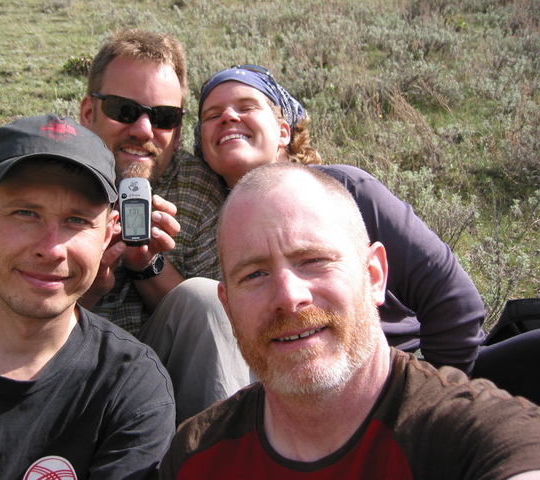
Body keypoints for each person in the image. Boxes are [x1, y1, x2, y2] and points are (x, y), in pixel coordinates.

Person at [159, 163, 540, 480]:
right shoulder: (195, 455)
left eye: (313, 261)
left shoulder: (474, 435)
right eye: (254, 274)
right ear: (227, 307)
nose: (289, 297)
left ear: (375, 276)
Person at [0, 114, 175, 479]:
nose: (51, 248)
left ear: (108, 235)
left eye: (77, 220)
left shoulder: (132, 389)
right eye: (26, 213)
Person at [194, 64, 486, 374]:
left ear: (283, 131)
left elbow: (454, 301)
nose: (228, 116)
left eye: (246, 107)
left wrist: (429, 396)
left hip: (397, 372)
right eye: (212, 116)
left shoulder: (346, 190)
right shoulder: (203, 224)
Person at [78, 29, 250, 423]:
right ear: (89, 113)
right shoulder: (54, 178)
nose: (142, 129)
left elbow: (221, 324)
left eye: (163, 117)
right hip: (73, 363)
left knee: (205, 298)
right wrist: (87, 285)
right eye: (124, 110)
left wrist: (148, 266)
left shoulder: (199, 189)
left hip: (170, 374)